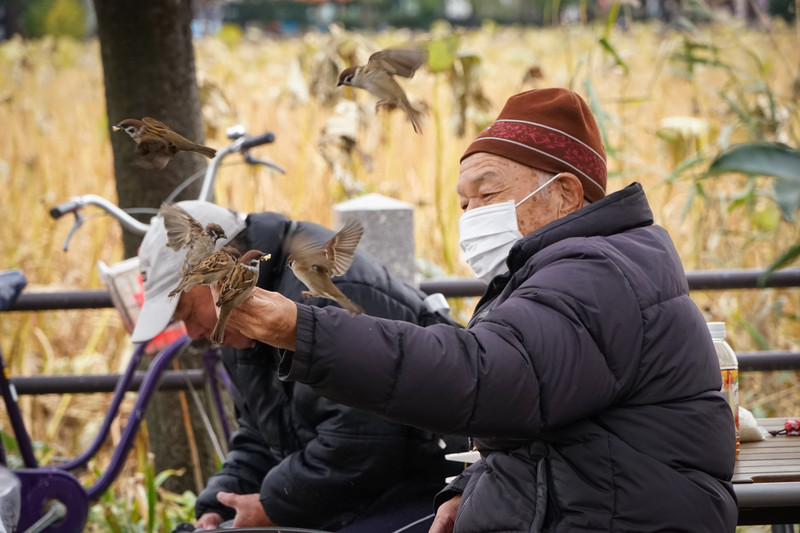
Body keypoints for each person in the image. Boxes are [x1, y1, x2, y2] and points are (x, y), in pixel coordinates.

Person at [211, 88, 739, 532]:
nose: (470, 215)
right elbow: (544, 418)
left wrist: (300, 329)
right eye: (463, 203)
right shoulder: (565, 269)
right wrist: (469, 486)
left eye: (486, 194)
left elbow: (487, 379)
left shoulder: (595, 275)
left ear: (566, 195)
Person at [130, 202, 467, 531]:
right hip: (359, 494)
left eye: (187, 313)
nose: (192, 333)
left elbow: (365, 441)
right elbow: (259, 434)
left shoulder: (324, 294)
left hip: (435, 485)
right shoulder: (240, 318)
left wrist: (271, 506)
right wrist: (222, 503)